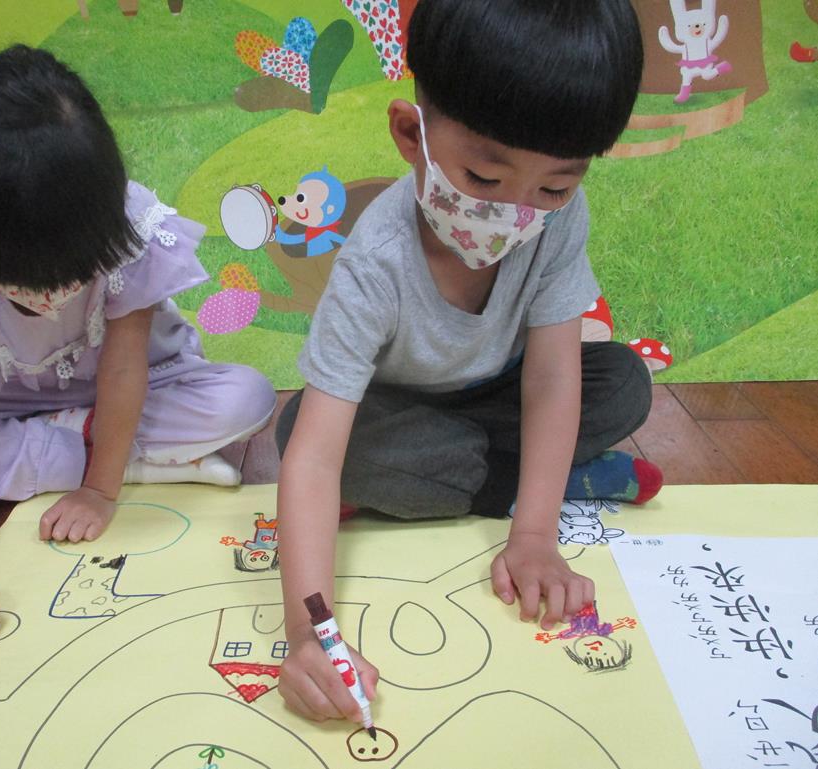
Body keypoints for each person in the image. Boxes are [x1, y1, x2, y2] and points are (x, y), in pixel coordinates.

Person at [274, 0, 662, 724]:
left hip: (499, 399)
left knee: (623, 382)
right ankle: (560, 477)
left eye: (554, 186)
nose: (516, 213)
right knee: (300, 432)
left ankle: (512, 490)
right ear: (409, 135)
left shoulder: (557, 223)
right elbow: (316, 454)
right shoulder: (376, 260)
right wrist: (307, 634)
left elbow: (552, 378)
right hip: (404, 412)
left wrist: (534, 537)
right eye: (484, 178)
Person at [0, 46, 276, 645]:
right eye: (21, 282)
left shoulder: (125, 228)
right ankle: (144, 464)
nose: (49, 295)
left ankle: (95, 458)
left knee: (247, 397)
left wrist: (99, 492)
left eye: (70, 272)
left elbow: (123, 372)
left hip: (144, 382)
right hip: (21, 402)